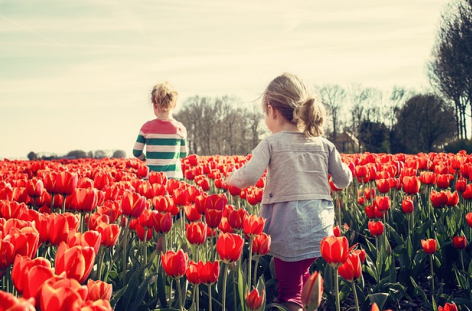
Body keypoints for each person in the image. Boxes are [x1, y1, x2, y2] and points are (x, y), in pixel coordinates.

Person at [225, 72, 352, 311]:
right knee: (303, 273)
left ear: (272, 110)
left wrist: (231, 178)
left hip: (288, 227)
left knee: (290, 292)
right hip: (320, 229)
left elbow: (250, 176)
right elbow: (343, 180)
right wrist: (349, 171)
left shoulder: (272, 143)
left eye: (265, 113)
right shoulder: (324, 144)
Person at [133, 81, 188, 179]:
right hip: (173, 178)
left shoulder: (146, 127)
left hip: (152, 178)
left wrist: (146, 159)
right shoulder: (180, 128)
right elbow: (184, 154)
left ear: (154, 105)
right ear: (174, 104)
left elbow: (136, 151)